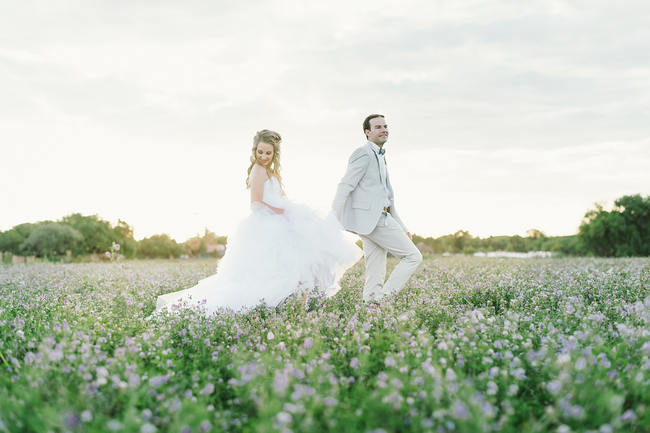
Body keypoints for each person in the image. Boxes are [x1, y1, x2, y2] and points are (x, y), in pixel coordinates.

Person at [153, 130, 362, 315]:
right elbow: (256, 202)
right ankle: (284, 305)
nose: (263, 156)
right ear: (255, 150)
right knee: (276, 268)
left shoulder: (273, 172)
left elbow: (279, 196)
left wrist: (288, 210)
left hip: (277, 219)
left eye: (268, 153)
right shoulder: (258, 170)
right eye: (260, 152)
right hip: (265, 223)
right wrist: (280, 212)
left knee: (304, 255)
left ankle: (302, 304)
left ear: (274, 154)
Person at [332, 114, 422, 304]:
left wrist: (402, 226)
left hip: (373, 221)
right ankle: (383, 300)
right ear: (367, 132)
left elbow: (388, 198)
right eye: (378, 127)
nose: (384, 129)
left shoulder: (381, 156)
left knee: (375, 270)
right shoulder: (363, 153)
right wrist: (333, 216)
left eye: (385, 126)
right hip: (374, 219)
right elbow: (345, 185)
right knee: (413, 257)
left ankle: (371, 307)